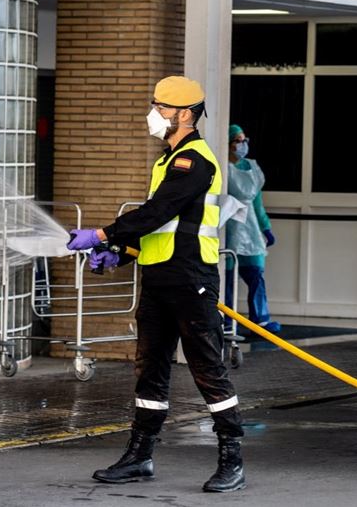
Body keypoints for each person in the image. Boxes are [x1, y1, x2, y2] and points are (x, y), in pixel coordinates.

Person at [66, 76, 245, 493]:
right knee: (150, 369)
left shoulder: (194, 161)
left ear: (185, 114)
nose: (154, 115)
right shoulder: (167, 160)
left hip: (191, 280)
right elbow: (162, 225)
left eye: (161, 108)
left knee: (207, 370)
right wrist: (125, 252)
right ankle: (140, 456)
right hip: (160, 279)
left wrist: (103, 234)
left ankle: (231, 458)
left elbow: (160, 210)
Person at [224, 124, 279, 334]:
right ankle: (227, 320)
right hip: (230, 225)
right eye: (237, 141)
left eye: (244, 140)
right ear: (228, 144)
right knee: (228, 276)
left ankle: (261, 319)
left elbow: (257, 203)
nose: (242, 145)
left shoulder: (252, 168)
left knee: (256, 273)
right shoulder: (223, 168)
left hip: (251, 226)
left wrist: (265, 227)